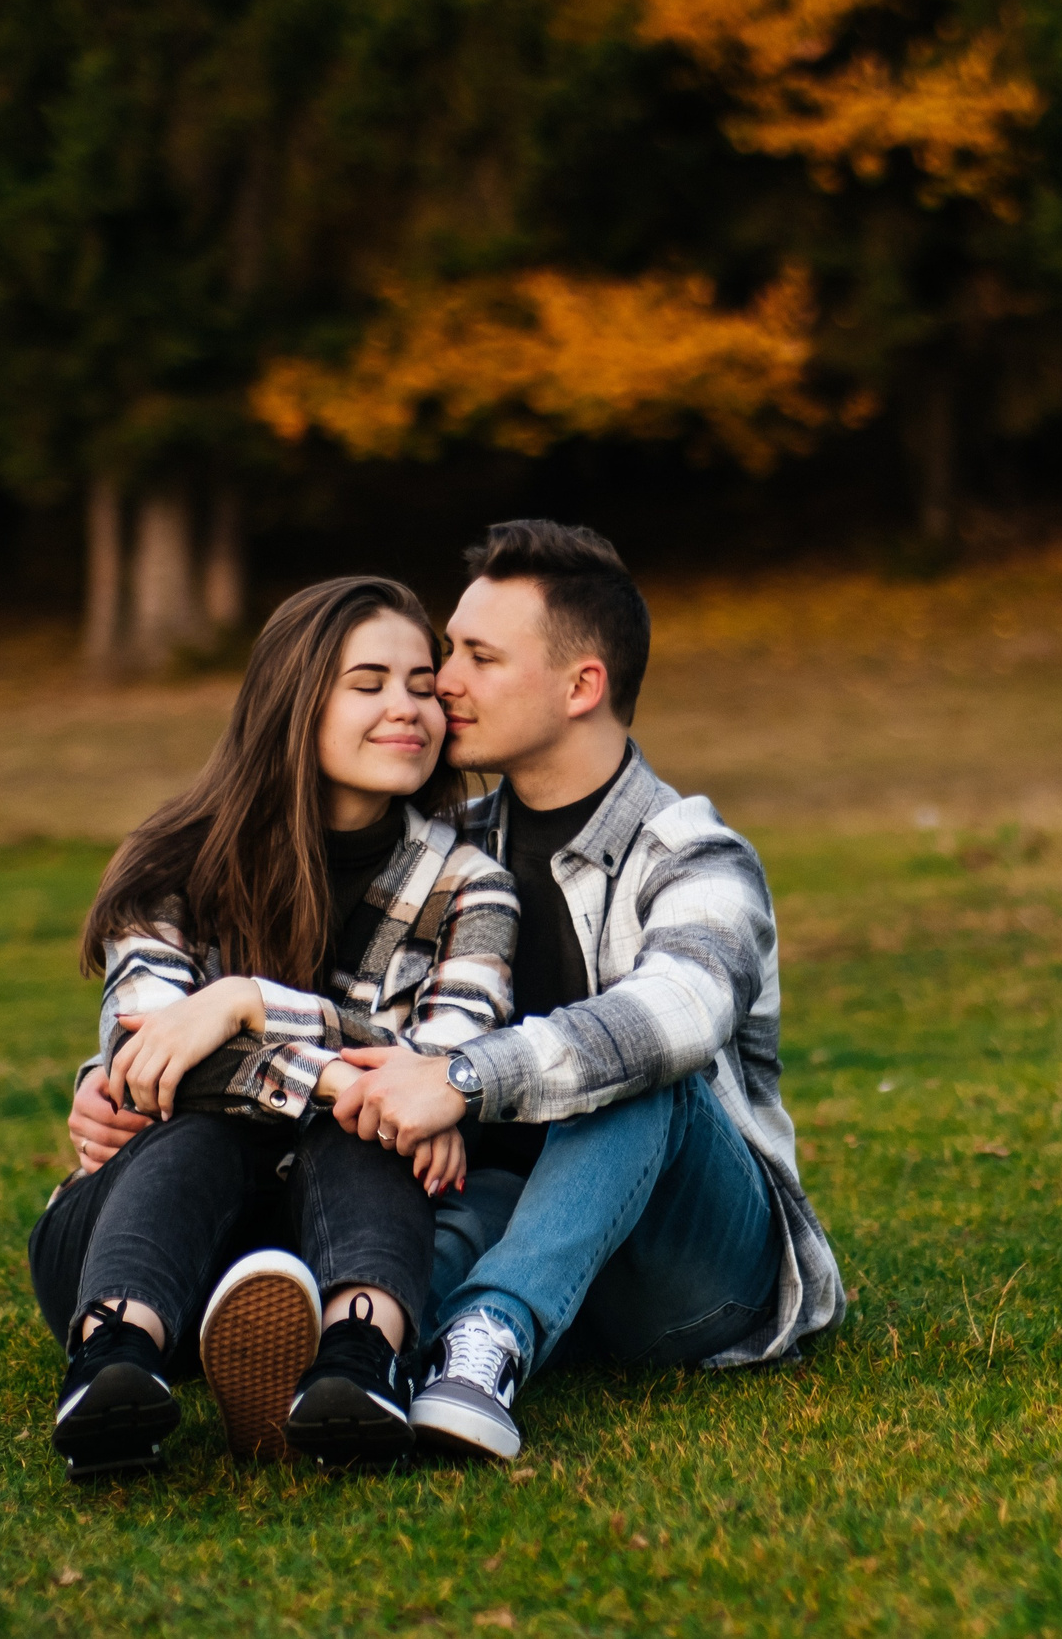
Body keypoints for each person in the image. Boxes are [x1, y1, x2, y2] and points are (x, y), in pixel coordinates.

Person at [334, 520, 844, 1461]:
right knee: (409, 1240)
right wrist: (160, 1040)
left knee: (642, 1066)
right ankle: (351, 1345)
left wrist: (463, 1078)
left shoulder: (695, 854)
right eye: (451, 648)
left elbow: (680, 1013)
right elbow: (323, 992)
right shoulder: (440, 851)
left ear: (582, 686)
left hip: (691, 1266)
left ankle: (485, 1340)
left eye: (479, 657)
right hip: (511, 1209)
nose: (444, 681)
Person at [27, 576, 517, 1479]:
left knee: (362, 1135)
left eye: (421, 684)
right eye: (367, 683)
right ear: (295, 701)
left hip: (326, 1242)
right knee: (219, 1129)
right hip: (134, 1233)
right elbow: (145, 1062)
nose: (406, 708)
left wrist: (240, 1008)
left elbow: (444, 1072)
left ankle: (356, 1369)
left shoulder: (471, 888)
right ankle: (110, 1364)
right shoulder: (176, 859)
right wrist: (337, 1074)